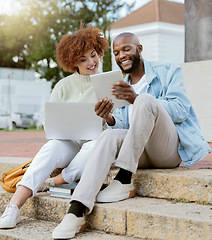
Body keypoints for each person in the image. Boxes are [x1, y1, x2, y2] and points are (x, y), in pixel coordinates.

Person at [52, 32, 211, 239]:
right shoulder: (117, 84)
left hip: (167, 151)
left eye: (126, 49)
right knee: (108, 136)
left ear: (139, 49)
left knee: (145, 100)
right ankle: (77, 210)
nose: (121, 55)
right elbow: (126, 128)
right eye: (116, 52)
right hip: (139, 152)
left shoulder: (167, 70)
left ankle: (124, 178)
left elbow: (181, 110)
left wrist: (136, 98)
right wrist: (108, 118)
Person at [0, 25, 110, 229]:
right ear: (73, 63)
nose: (91, 62)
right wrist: (59, 127)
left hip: (96, 140)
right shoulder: (62, 86)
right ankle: (13, 209)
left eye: (93, 55)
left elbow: (118, 124)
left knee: (95, 145)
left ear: (99, 51)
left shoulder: (107, 82)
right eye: (83, 59)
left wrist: (107, 118)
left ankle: (56, 181)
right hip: (69, 140)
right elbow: (47, 123)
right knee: (51, 148)